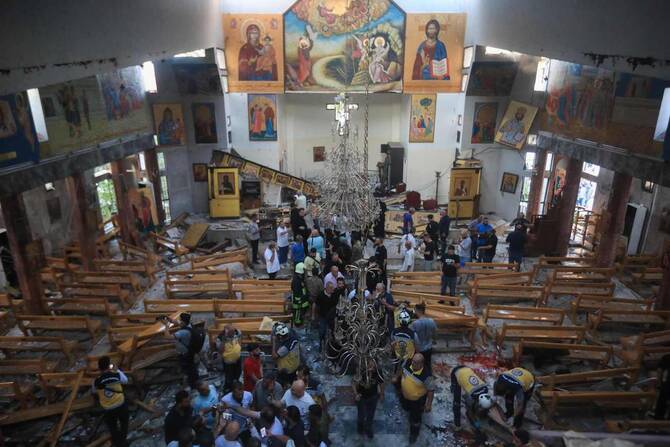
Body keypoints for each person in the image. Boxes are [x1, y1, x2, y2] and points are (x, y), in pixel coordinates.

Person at [396, 353, 434, 444]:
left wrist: (428, 404)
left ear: (422, 364)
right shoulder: (407, 362)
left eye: (416, 362)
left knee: (415, 418)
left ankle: (414, 434)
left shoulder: (427, 376)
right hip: (404, 396)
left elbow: (431, 390)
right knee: (405, 408)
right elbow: (401, 369)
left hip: (417, 401)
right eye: (413, 361)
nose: (413, 363)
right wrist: (396, 376)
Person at [92, 356, 129, 447]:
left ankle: (117, 443)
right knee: (124, 422)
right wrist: (117, 370)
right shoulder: (116, 374)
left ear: (99, 368)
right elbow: (125, 381)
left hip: (108, 408)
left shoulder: (96, 381)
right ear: (109, 366)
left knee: (113, 427)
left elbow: (94, 391)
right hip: (120, 404)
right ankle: (123, 441)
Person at [451, 365, 495, 438]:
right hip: (456, 372)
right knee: (456, 403)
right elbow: (469, 413)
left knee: (474, 407)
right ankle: (457, 425)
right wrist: (477, 425)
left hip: (467, 369)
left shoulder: (485, 389)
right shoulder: (472, 397)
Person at [168, 313, 204, 389]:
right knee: (192, 369)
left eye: (180, 320)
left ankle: (194, 386)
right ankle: (195, 382)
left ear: (183, 322)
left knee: (189, 371)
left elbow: (168, 337)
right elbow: (180, 324)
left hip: (186, 355)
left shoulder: (183, 332)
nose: (179, 321)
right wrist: (171, 321)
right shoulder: (189, 326)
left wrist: (165, 326)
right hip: (191, 353)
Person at [272, 322, 301, 387]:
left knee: (281, 385)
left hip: (285, 371)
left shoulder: (285, 348)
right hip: (294, 367)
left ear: (280, 336)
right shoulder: (294, 339)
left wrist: (274, 341)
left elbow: (274, 356)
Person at [217, 325, 242, 393]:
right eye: (231, 332)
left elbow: (239, 340)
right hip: (228, 362)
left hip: (237, 360)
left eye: (233, 332)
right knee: (229, 378)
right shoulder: (220, 337)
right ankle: (228, 390)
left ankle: (236, 387)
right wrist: (223, 341)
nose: (233, 334)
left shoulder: (236, 333)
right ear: (226, 332)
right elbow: (220, 351)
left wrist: (238, 349)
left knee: (237, 374)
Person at [411, 303, 436, 368]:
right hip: (429, 347)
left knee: (419, 366)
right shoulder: (431, 321)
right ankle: (428, 373)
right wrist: (433, 340)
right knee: (428, 364)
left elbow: (414, 338)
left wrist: (416, 351)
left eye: (415, 310)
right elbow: (434, 333)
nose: (414, 312)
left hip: (419, 349)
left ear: (418, 310)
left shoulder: (415, 323)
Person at [314, 282, 337, 348]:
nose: (333, 289)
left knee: (330, 332)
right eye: (331, 288)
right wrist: (314, 315)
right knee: (322, 331)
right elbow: (315, 304)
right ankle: (320, 345)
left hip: (331, 318)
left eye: (333, 288)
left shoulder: (334, 295)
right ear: (327, 288)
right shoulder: (321, 295)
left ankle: (328, 346)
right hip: (323, 316)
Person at [291, 263, 310, 327]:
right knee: (298, 316)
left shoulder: (299, 278)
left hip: (302, 301)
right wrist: (300, 301)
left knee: (301, 315)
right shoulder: (296, 281)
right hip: (298, 303)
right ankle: (298, 325)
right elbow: (297, 292)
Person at [654, 354, 670, 419]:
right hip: (667, 384)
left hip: (666, 385)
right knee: (662, 401)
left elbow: (660, 370)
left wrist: (659, 383)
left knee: (661, 403)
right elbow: (660, 370)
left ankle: (658, 418)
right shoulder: (666, 357)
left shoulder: (666, 357)